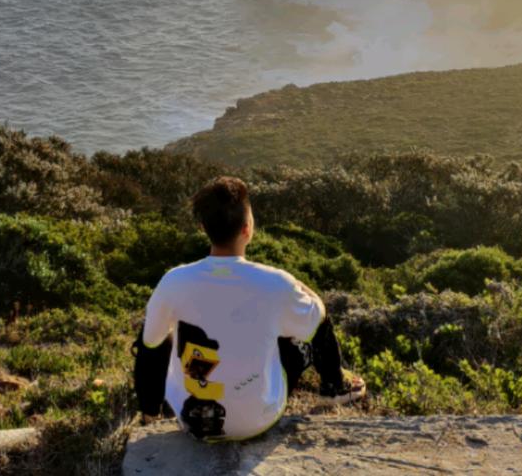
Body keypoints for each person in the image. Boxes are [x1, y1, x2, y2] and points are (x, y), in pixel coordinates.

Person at [134, 175, 365, 442]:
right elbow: (317, 318)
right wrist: (304, 290)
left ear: (203, 227)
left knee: (153, 335)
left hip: (191, 421)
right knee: (309, 322)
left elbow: (150, 347)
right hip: (258, 419)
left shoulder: (173, 280)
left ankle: (150, 412)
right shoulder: (276, 283)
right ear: (247, 228)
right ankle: (334, 387)